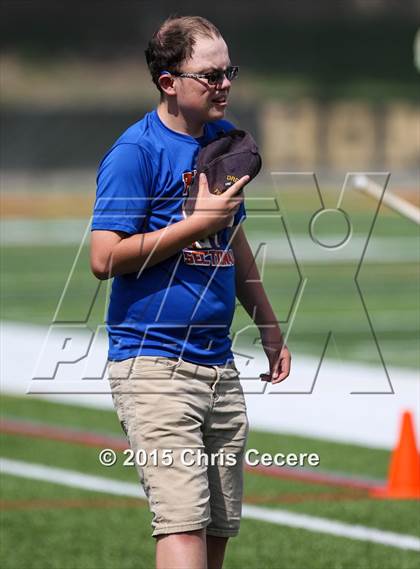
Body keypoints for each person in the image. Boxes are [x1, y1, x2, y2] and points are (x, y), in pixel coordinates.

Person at [90, 15, 291, 569]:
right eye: (209, 75)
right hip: (154, 366)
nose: (224, 83)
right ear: (169, 82)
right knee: (182, 526)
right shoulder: (136, 152)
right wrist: (193, 227)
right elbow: (103, 258)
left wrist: (269, 326)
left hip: (218, 363)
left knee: (219, 527)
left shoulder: (224, 147)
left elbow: (233, 240)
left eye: (229, 71)